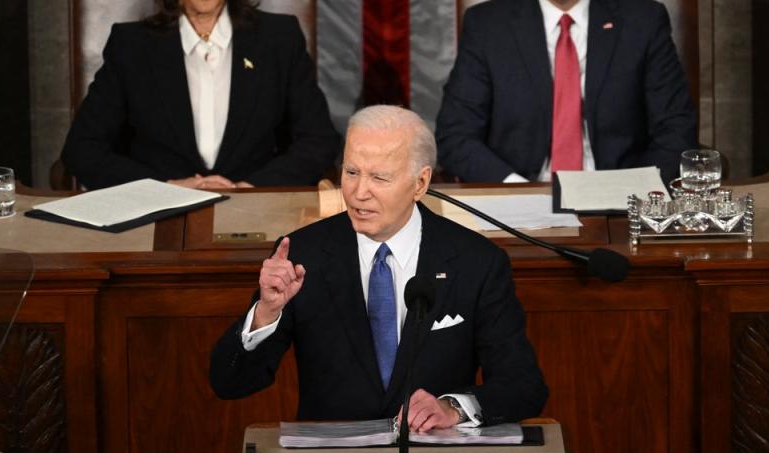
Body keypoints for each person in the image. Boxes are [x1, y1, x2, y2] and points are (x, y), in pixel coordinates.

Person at [210, 105, 547, 430]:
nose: (358, 193)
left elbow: (523, 385)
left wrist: (453, 409)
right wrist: (267, 312)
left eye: (379, 178)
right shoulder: (302, 255)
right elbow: (229, 383)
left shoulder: (476, 262)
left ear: (420, 183)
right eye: (351, 172)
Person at [61, 0, 339, 190]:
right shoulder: (131, 46)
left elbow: (319, 140)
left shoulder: (279, 39)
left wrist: (251, 189)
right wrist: (164, 188)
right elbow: (82, 149)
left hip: (255, 213)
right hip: (159, 214)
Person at [436, 0, 697, 185]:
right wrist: (517, 190)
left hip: (618, 199)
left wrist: (628, 191)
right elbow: (455, 136)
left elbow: (676, 131)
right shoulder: (488, 26)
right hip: (519, 196)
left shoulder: (643, 22)